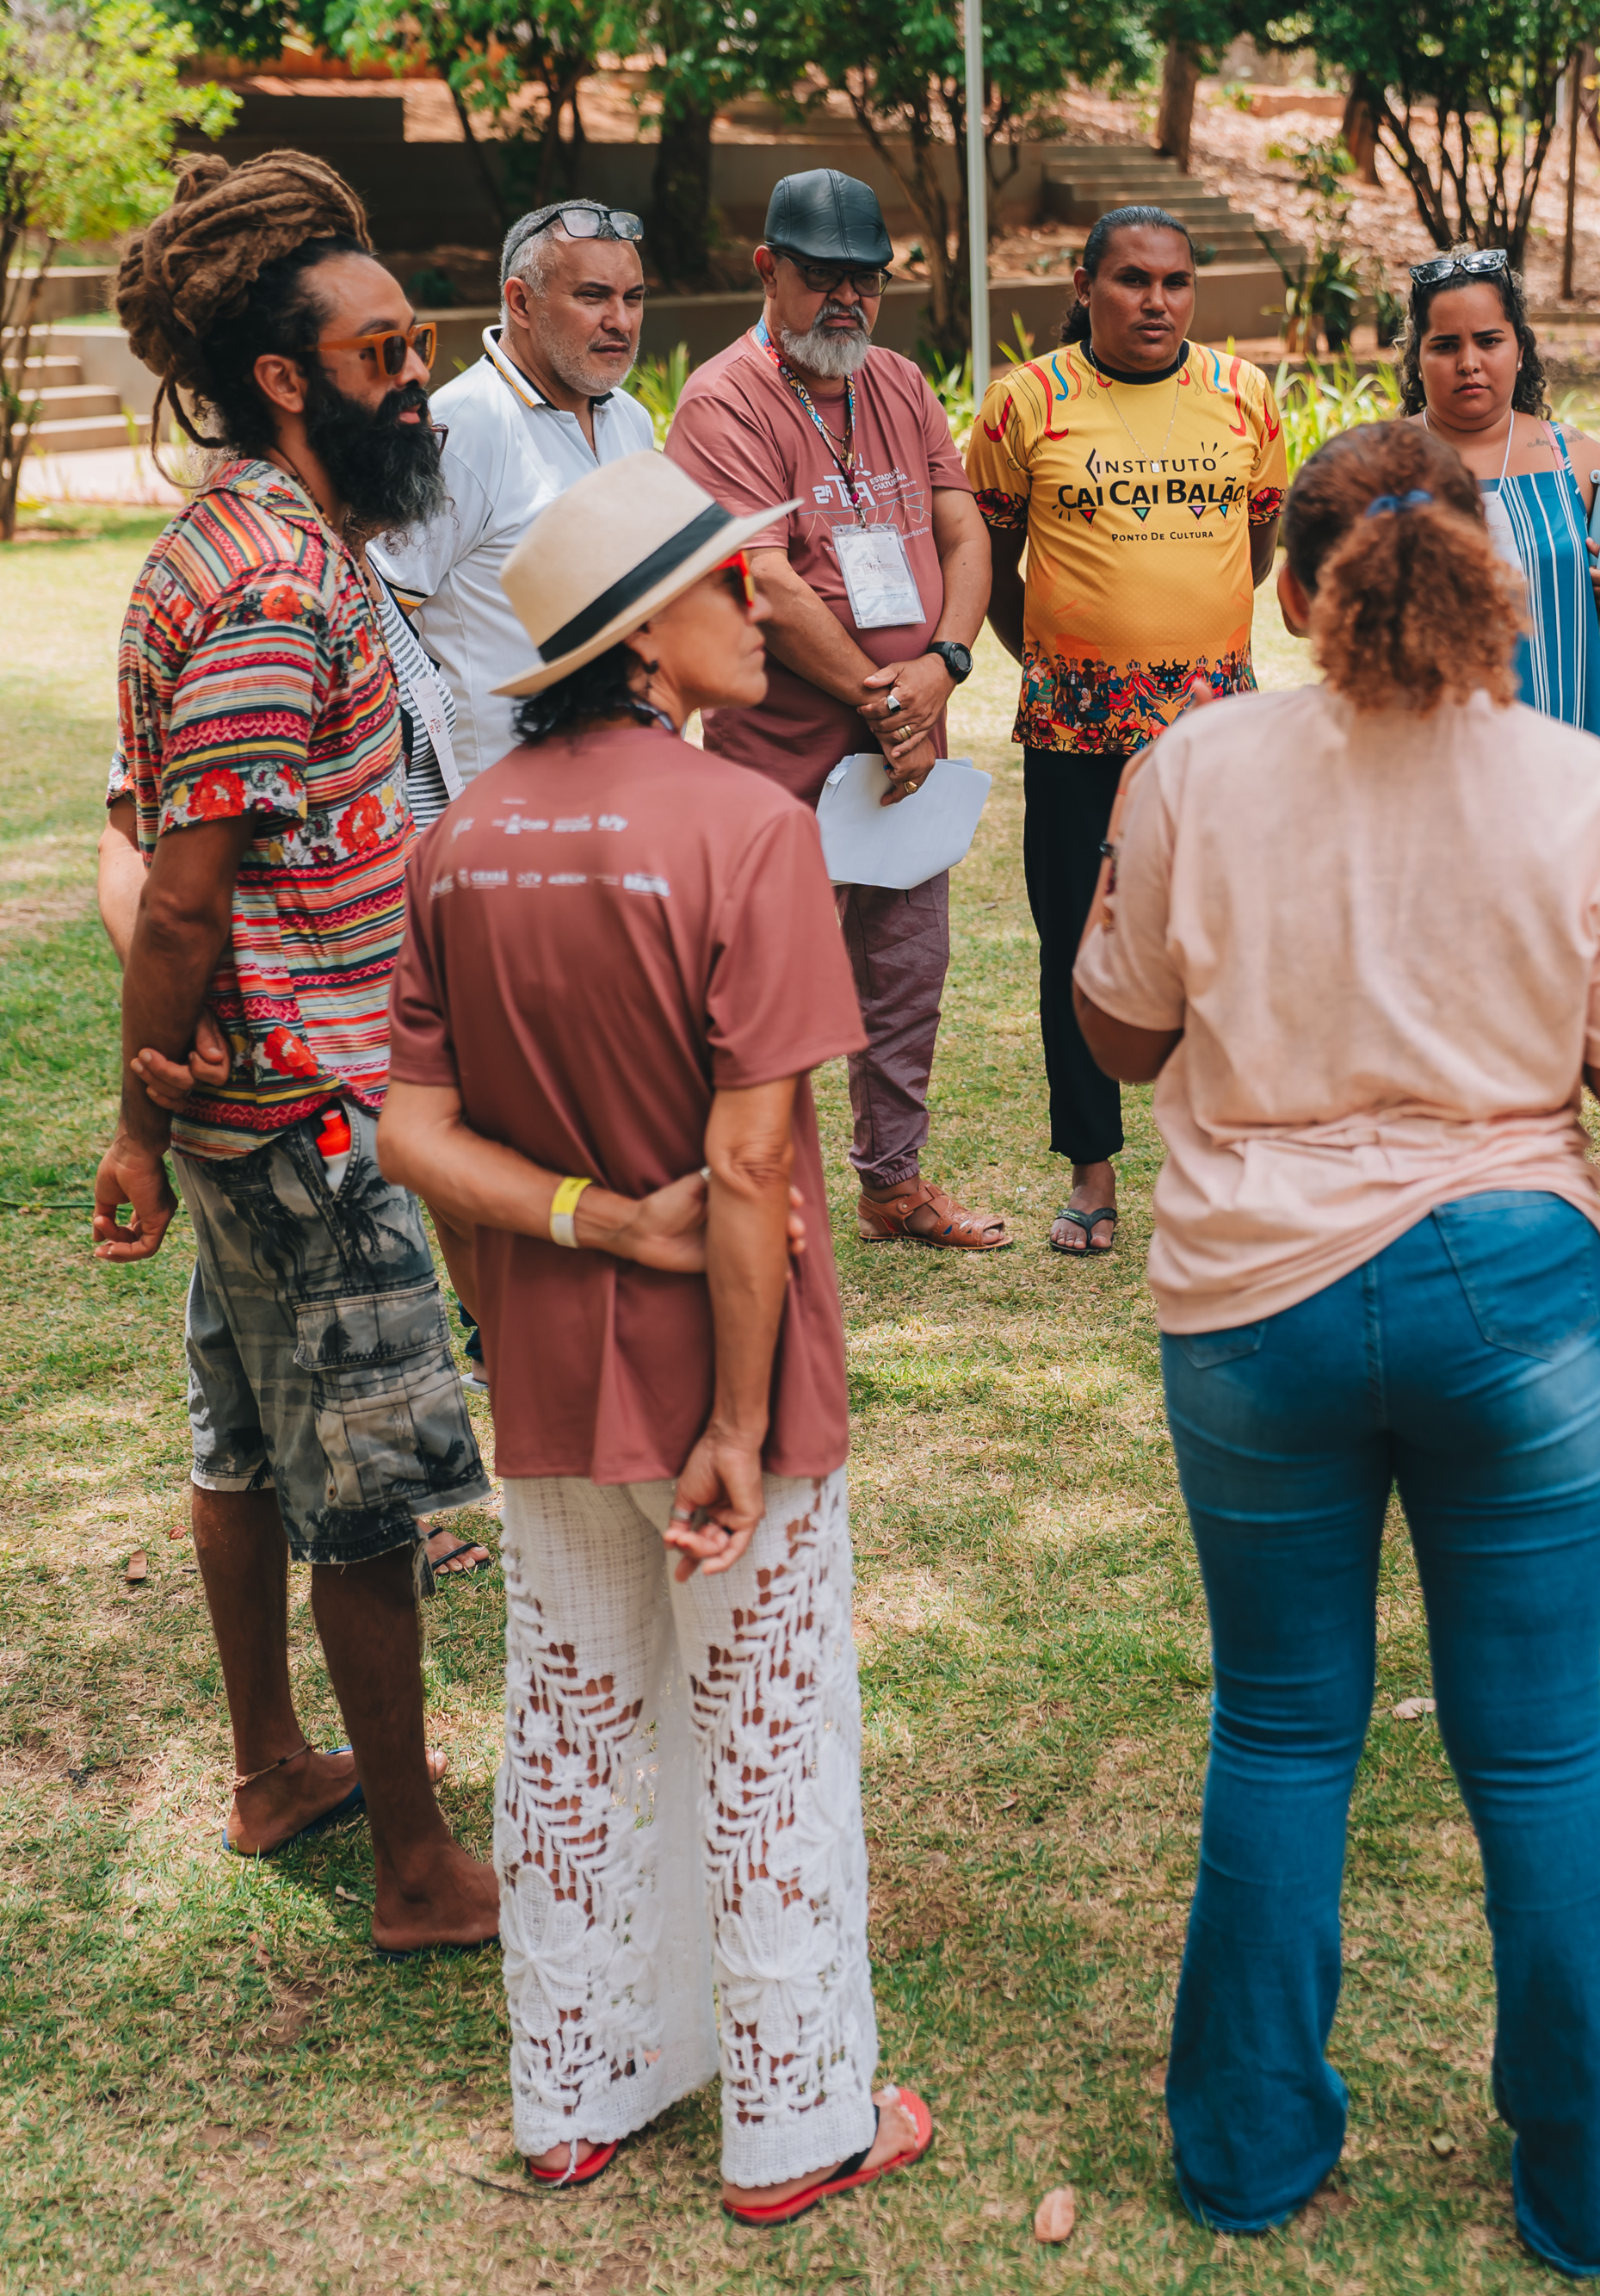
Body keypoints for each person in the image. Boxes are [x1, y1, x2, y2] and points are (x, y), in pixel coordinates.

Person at [1069, 421, 1600, 2269]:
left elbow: (1119, 1036)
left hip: (1252, 1293)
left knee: (1280, 1728)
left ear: (1291, 589)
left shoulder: (1193, 766)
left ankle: (1248, 2148)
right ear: (1498, 578)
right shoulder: (1578, 784)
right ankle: (1590, 2186)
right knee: (1540, 1749)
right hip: (1513, 1291)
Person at [378, 449, 937, 2219]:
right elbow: (753, 1164)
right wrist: (740, 1424)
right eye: (731, 580)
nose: (768, 600)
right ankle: (795, 2119)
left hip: (547, 1366)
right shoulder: (746, 830)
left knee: (571, 1712)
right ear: (638, 638)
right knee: (767, 1729)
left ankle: (569, 2089)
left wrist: (583, 1219)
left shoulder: (460, 839)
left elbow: (408, 1127)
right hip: (726, 1373)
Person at [85, 152, 497, 1953]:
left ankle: (273, 1765)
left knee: (246, 1441)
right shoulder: (272, 581)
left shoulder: (242, 542)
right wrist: (134, 1112)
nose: (416, 380)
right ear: (283, 376)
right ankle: (417, 1865)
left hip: (257, 1110)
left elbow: (158, 836)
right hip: (315, 1121)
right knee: (371, 1492)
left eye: (418, 345)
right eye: (382, 353)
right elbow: (179, 888)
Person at [95, 549, 490, 1580]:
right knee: (340, 1475)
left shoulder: (363, 577)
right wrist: (178, 1003)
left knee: (249, 1434)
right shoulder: (269, 589)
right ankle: (406, 1516)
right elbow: (140, 856)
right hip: (310, 1081)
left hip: (390, 1010)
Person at [666, 169, 1006, 1252]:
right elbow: (760, 579)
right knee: (765, 986)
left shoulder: (897, 383)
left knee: (906, 971)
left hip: (908, 754)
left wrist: (945, 662)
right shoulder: (723, 400)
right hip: (784, 758)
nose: (848, 300)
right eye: (823, 277)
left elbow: (963, 531)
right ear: (767, 269)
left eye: (868, 280)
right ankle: (745, 1187)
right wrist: (885, 698)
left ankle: (893, 1184)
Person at [967, 205, 1287, 1259]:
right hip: (1073, 728)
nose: (1157, 302)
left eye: (1175, 282)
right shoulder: (1024, 404)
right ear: (1084, 285)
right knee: (1077, 944)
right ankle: (1091, 1171)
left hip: (1215, 731)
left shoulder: (1243, 395)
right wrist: (1061, 661)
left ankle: (1221, 1157)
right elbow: (991, 564)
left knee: (1221, 942)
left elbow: (1258, 545)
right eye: (1132, 280)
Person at [371, 197, 656, 783]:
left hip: (622, 781)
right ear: (521, 303)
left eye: (633, 298)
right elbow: (382, 614)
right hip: (502, 802)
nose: (621, 321)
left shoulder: (631, 419)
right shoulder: (462, 427)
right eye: (593, 296)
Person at [1399, 244, 1600, 744]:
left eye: (1489, 341)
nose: (1469, 362)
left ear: (1519, 351)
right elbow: (1308, 603)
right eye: (1445, 346)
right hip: (1424, 748)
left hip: (1569, 740)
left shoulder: (1569, 456)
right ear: (1418, 358)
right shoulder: (1379, 464)